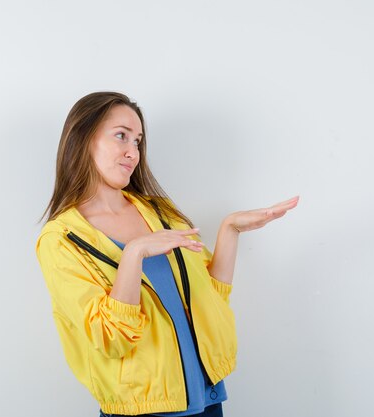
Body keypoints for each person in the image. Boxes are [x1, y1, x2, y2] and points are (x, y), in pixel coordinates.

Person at [36, 91, 299, 417]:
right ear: (84, 138)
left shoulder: (158, 212)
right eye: (121, 136)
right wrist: (134, 254)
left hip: (207, 401)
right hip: (141, 410)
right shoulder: (61, 239)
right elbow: (111, 338)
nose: (132, 152)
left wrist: (230, 230)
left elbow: (209, 299)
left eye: (138, 141)